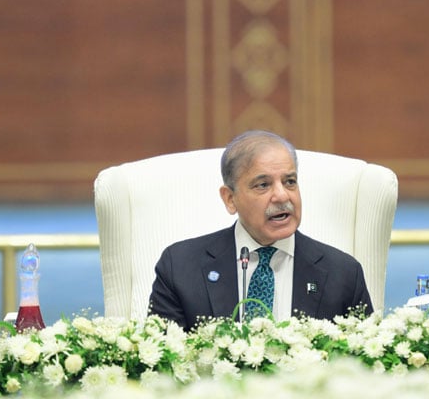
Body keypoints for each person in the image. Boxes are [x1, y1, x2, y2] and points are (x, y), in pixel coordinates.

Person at [148, 130, 373, 330]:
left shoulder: (342, 274)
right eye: (263, 185)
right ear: (229, 199)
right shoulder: (180, 268)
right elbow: (163, 369)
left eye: (290, 181)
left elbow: (365, 369)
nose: (282, 196)